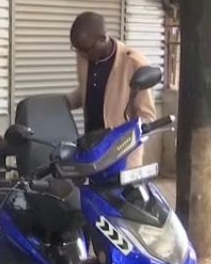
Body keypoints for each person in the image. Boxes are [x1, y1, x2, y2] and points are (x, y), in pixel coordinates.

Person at [66, 12, 157, 168]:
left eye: (86, 50)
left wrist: (125, 143)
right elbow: (87, 92)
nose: (81, 55)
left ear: (103, 39)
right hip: (92, 152)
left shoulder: (133, 63)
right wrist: (61, 103)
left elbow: (147, 116)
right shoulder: (85, 57)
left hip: (122, 156)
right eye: (77, 50)